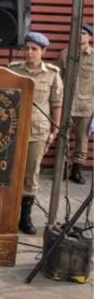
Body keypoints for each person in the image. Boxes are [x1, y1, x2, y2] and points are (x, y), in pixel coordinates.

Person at [9, 32, 63, 234]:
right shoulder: (14, 70)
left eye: (34, 49)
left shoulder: (51, 74)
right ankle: (9, 215)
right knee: (12, 173)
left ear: (43, 51)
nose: (29, 52)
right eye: (27, 48)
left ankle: (25, 217)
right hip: (14, 129)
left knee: (31, 174)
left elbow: (56, 104)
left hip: (37, 131)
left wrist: (54, 130)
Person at [57, 23, 93, 185]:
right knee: (63, 139)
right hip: (66, 105)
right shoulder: (65, 55)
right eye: (78, 33)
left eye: (84, 33)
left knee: (82, 141)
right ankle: (62, 169)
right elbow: (57, 79)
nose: (81, 36)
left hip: (86, 107)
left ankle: (76, 170)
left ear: (90, 37)